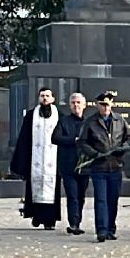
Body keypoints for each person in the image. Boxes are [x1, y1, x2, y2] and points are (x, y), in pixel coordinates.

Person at [75, 91, 130, 242]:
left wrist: (122, 149)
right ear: (97, 105)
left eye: (107, 104)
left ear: (111, 104)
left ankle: (110, 229)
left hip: (115, 165)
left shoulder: (120, 120)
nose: (105, 107)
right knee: (101, 199)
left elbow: (129, 139)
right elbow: (82, 142)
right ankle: (101, 230)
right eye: (102, 104)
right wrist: (94, 154)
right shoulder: (90, 122)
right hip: (99, 167)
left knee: (112, 199)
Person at [11, 89, 63, 230]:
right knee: (34, 190)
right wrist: (21, 162)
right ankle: (36, 216)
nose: (45, 98)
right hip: (35, 161)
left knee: (52, 192)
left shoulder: (60, 116)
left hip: (53, 162)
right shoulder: (30, 116)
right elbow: (24, 139)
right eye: (42, 96)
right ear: (39, 98)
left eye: (47, 96)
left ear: (53, 98)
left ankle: (50, 221)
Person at [51, 93, 90, 235]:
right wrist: (74, 140)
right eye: (73, 102)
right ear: (70, 105)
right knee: (72, 195)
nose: (76, 105)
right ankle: (73, 223)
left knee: (81, 196)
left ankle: (77, 220)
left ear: (84, 105)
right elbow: (55, 138)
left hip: (84, 165)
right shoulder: (64, 121)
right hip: (68, 165)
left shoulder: (89, 122)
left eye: (78, 102)